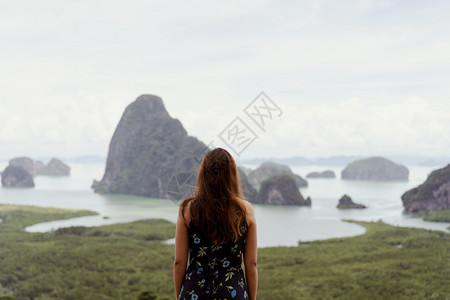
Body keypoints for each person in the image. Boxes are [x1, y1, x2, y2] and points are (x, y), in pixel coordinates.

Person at [173, 148, 258, 300]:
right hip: (233, 293)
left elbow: (179, 263)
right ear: (232, 175)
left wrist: (180, 295)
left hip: (194, 292)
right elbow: (251, 265)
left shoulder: (187, 209)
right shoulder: (245, 211)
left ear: (203, 174)